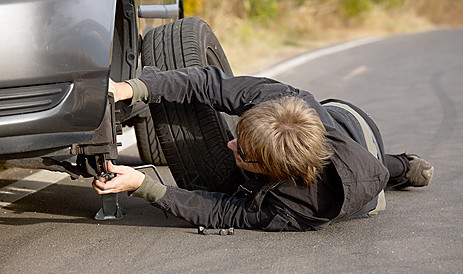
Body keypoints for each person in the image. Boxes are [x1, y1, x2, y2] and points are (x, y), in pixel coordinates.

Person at [92, 66, 434, 231]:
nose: (228, 144)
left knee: (376, 171)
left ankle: (402, 167)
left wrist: (144, 186)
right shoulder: (282, 102)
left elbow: (221, 211)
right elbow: (208, 83)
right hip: (339, 117)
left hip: (364, 141)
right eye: (238, 135)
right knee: (352, 150)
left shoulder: (299, 210)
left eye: (241, 152)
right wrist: (129, 88)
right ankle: (403, 167)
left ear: (276, 174)